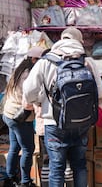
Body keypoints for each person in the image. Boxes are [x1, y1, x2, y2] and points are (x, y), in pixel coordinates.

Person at [23, 27, 102, 187]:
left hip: (53, 122)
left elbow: (28, 90)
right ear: (79, 42)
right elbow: (100, 93)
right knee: (80, 165)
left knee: (57, 167)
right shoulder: (87, 62)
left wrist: (38, 100)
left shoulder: (45, 62)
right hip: (82, 122)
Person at [2, 46, 45, 187]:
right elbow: (28, 100)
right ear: (33, 59)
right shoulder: (28, 74)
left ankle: (10, 178)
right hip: (19, 117)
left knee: (14, 147)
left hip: (9, 114)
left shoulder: (19, 70)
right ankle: (25, 181)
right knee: (28, 148)